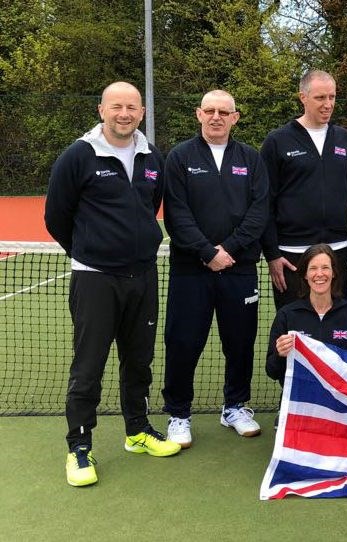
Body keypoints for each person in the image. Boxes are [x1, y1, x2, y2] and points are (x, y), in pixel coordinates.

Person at [45, 81, 181, 487]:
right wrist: (90, 251)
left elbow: (149, 206)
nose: (125, 114)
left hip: (142, 275)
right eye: (117, 106)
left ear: (142, 112)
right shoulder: (78, 156)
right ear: (102, 109)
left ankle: (137, 432)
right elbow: (57, 216)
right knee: (89, 366)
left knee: (138, 360)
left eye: (132, 107)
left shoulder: (151, 155)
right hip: (95, 279)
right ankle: (79, 448)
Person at [160, 90, 269, 448]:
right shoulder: (179, 157)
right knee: (183, 342)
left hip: (239, 268)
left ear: (235, 117)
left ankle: (235, 406)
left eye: (224, 111)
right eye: (210, 111)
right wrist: (207, 252)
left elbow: (258, 212)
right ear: (199, 114)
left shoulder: (251, 159)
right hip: (191, 270)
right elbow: (176, 214)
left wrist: (229, 250)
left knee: (240, 342)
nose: (217, 117)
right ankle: (179, 413)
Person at [260, 69, 347, 309]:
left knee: (337, 328)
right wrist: (272, 254)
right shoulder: (277, 141)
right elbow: (263, 201)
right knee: (296, 329)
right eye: (320, 98)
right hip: (292, 255)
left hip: (339, 250)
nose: (328, 104)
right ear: (302, 97)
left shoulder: (342, 138)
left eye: (332, 97)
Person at [266, 244, 347, 384]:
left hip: (341, 400)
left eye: (325, 268)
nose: (319, 274)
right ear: (305, 275)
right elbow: (272, 371)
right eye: (313, 268)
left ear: (334, 273)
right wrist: (279, 354)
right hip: (300, 401)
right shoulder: (287, 314)